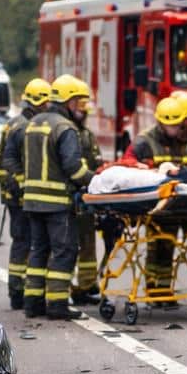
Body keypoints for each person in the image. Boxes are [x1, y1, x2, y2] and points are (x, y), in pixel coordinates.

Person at [120, 95, 187, 305]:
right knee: (161, 246)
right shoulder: (145, 140)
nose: (172, 129)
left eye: (176, 124)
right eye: (168, 125)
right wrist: (141, 167)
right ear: (159, 122)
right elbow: (127, 162)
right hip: (163, 205)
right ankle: (159, 293)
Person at [22, 74, 95, 320]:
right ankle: (57, 305)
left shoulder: (34, 123)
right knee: (64, 251)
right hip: (56, 203)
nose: (80, 108)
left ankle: (32, 303)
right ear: (67, 101)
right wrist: (95, 181)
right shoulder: (65, 128)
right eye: (78, 102)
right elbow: (73, 168)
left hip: (31, 200)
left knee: (38, 251)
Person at [0, 77, 52, 310]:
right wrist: (23, 187)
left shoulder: (16, 123)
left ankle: (20, 291)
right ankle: (18, 292)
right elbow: (10, 163)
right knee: (25, 243)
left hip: (16, 193)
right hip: (19, 196)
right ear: (38, 102)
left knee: (24, 242)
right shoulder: (23, 127)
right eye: (47, 102)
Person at [72, 107, 105, 306]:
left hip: (86, 197)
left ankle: (87, 286)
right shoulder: (65, 132)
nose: (82, 110)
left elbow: (96, 162)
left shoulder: (87, 135)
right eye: (78, 105)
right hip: (71, 196)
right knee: (65, 247)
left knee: (87, 244)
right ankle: (59, 291)